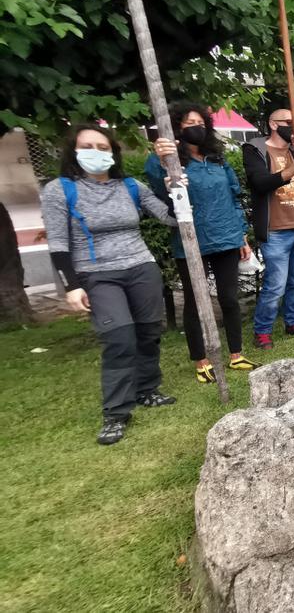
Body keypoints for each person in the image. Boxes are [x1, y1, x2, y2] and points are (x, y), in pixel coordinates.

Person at [43, 124, 178, 444]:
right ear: (74, 151)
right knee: (118, 337)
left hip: (140, 266)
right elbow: (58, 244)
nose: (96, 153)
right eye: (88, 146)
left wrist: (175, 190)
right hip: (96, 273)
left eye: (103, 148)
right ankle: (116, 412)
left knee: (148, 331)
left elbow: (171, 218)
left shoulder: (130, 186)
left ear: (113, 153)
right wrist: (72, 285)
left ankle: (147, 389)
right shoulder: (59, 190)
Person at [148, 103, 258, 383]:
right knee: (196, 302)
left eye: (199, 121)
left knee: (230, 298)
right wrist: (161, 160)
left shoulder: (218, 160)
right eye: (187, 123)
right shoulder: (170, 161)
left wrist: (241, 236)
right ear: (177, 129)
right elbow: (162, 195)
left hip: (226, 237)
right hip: (191, 241)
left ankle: (236, 353)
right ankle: (201, 360)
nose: (194, 126)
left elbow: (235, 198)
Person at [243, 108, 294, 350]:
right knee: (275, 284)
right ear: (273, 124)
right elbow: (260, 182)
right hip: (275, 229)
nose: (293, 126)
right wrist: (290, 170)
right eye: (287, 122)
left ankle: (293, 322)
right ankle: (262, 330)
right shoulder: (255, 149)